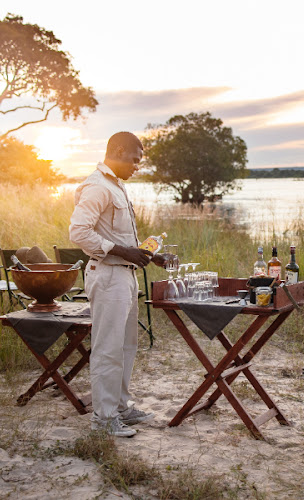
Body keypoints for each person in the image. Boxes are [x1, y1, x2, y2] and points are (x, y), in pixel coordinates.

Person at [69, 131, 167, 437]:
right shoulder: (97, 186)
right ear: (120, 150)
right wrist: (123, 251)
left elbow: (118, 236)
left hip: (124, 275)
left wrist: (149, 255)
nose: (138, 166)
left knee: (126, 346)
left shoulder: (117, 186)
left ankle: (121, 407)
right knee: (107, 348)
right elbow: (78, 232)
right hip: (108, 276)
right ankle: (104, 418)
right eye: (135, 159)